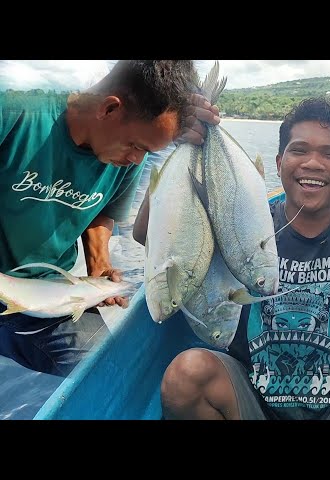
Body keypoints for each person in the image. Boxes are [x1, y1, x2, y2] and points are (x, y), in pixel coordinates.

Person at [133, 95, 330, 420]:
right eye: (299, 150)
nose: (313, 163)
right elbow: (150, 237)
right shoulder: (238, 226)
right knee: (185, 375)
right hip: (248, 400)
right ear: (278, 163)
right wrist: (180, 145)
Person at [0, 60, 219, 377]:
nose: (137, 159)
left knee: (116, 371)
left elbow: (101, 211)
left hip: (50, 298)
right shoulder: (16, 111)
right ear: (109, 109)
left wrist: (99, 262)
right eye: (135, 145)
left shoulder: (126, 161)